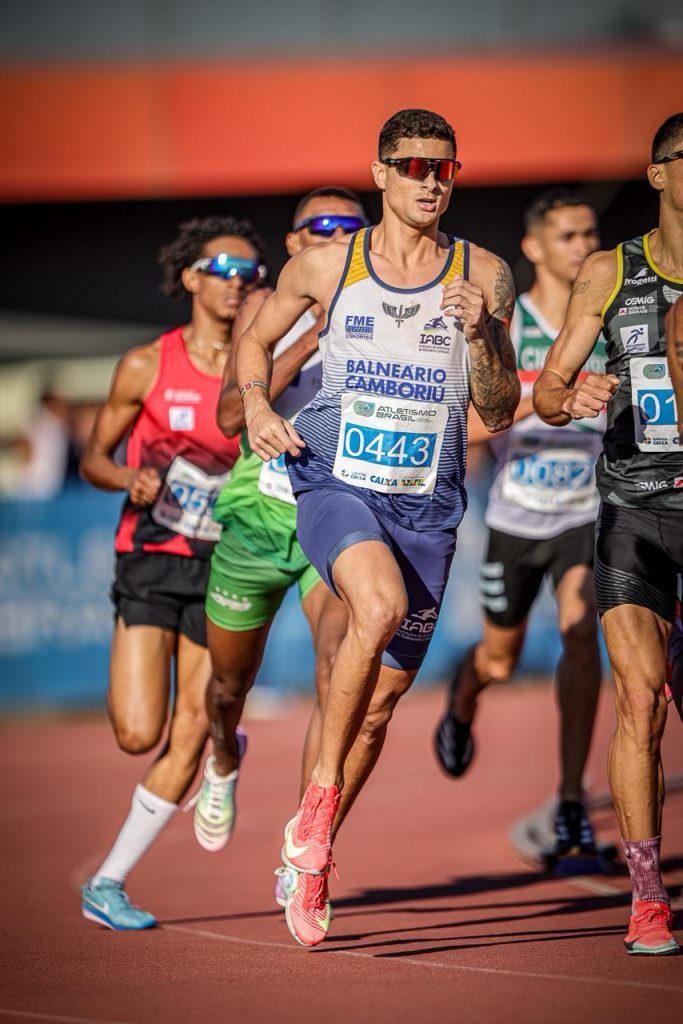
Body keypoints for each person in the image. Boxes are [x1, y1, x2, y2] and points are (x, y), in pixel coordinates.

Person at [236, 108, 520, 946]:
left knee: (379, 705)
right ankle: (315, 818)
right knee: (377, 605)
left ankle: (314, 843)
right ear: (381, 173)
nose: (430, 181)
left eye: (444, 168)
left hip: (427, 504)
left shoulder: (486, 273)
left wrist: (481, 335)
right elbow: (253, 344)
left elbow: (500, 409)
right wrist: (256, 406)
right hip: (334, 479)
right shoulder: (328, 264)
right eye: (414, 166)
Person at [78, 215, 266, 930]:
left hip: (229, 563)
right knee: (136, 733)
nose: (238, 284)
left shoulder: (262, 363)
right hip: (153, 560)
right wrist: (127, 478)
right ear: (191, 278)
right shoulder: (145, 365)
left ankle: (108, 883)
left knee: (187, 729)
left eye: (250, 274)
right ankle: (227, 735)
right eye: (224, 271)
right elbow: (93, 458)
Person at [189, 190, 367, 912]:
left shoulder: (382, 304)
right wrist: (311, 337)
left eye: (351, 229)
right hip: (259, 518)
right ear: (293, 243)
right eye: (323, 228)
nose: (338, 238)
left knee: (334, 669)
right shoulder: (266, 308)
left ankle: (305, 844)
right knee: (229, 686)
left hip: (339, 512)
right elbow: (229, 413)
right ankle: (223, 752)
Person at [533, 112, 683, 956]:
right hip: (634, 510)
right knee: (637, 698)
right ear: (657, 173)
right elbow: (548, 390)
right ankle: (646, 896)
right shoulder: (610, 270)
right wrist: (572, 394)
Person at [434, 188, 607, 870]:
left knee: (580, 635)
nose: (582, 246)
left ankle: (570, 798)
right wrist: (547, 399)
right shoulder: (508, 327)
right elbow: (465, 427)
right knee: (499, 661)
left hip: (585, 514)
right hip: (514, 517)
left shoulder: (607, 319)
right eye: (567, 236)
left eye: (589, 233)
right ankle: (464, 695)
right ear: (533, 247)